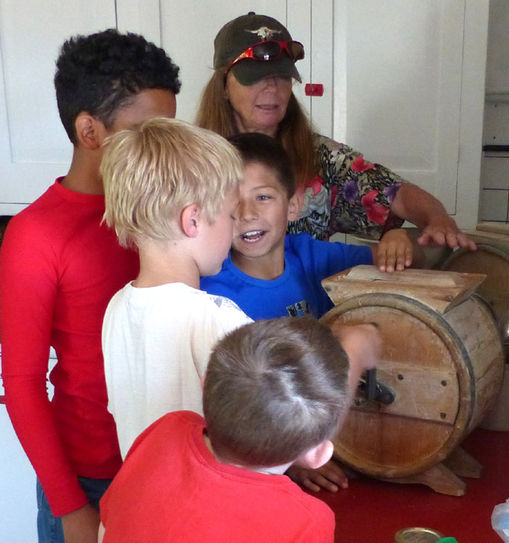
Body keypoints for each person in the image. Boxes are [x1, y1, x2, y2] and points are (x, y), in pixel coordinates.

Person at [0, 30, 180, 543]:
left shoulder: (164, 212)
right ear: (90, 130)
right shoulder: (35, 234)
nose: (163, 148)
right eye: (147, 130)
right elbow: (24, 384)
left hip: (167, 462)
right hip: (88, 480)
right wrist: (69, 506)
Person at [196, 11, 477, 250]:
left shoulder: (322, 157)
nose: (272, 88)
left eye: (282, 76)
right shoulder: (191, 161)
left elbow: (396, 193)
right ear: (223, 85)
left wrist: (436, 220)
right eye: (255, 78)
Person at [98, 316, 380, 543]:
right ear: (318, 455)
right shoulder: (305, 521)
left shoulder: (167, 430)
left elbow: (106, 526)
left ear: (205, 382)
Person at [100, 117, 252, 460]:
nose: (236, 226)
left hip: (142, 502)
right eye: (230, 214)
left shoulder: (117, 308)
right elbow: (275, 428)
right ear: (193, 220)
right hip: (204, 510)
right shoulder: (215, 318)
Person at [200, 131, 423, 320]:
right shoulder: (208, 294)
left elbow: (416, 258)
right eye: (232, 201)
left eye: (263, 197)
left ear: (293, 206)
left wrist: (397, 238)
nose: (247, 214)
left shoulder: (310, 256)